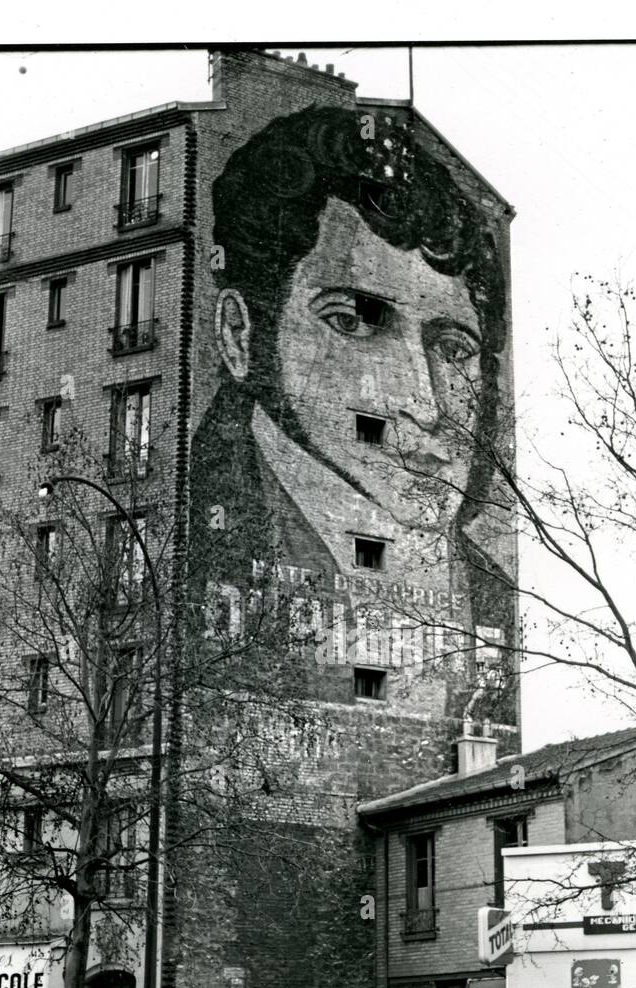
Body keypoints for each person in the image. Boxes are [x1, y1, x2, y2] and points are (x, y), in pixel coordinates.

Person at [189, 104, 515, 721]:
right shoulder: (198, 528)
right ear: (239, 335)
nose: (424, 403)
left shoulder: (493, 591)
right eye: (355, 319)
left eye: (454, 349)